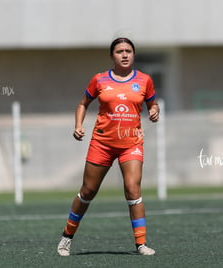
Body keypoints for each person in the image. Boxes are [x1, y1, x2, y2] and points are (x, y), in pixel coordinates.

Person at [57, 37, 160, 256]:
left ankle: (141, 244)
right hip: (102, 143)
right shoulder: (99, 79)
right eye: (120, 51)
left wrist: (154, 111)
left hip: (131, 142)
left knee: (133, 188)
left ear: (133, 54)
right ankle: (66, 237)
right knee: (88, 191)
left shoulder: (144, 80)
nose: (124, 55)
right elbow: (83, 104)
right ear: (112, 56)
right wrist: (78, 125)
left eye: (128, 51)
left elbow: (152, 104)